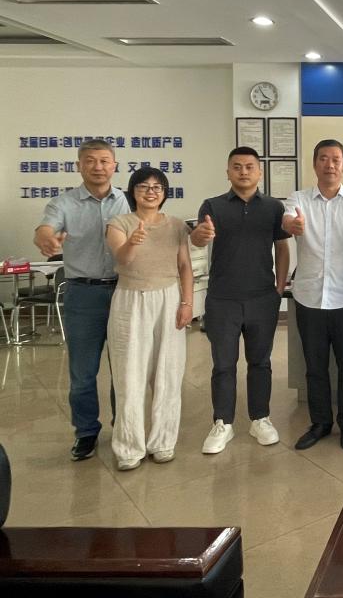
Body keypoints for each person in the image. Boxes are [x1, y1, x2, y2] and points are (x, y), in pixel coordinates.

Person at [33, 138, 130, 461]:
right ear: (79, 166)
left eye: (104, 161)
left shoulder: (128, 201)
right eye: (90, 161)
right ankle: (86, 432)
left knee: (124, 369)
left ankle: (123, 428)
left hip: (124, 291)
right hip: (83, 294)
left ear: (115, 166)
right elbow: (44, 229)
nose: (98, 167)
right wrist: (46, 239)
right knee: (83, 372)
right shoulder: (63, 203)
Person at [191, 146, 290, 455]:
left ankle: (260, 418)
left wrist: (279, 288)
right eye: (237, 166)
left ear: (260, 172)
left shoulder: (273, 207)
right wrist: (200, 235)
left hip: (262, 297)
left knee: (260, 362)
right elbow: (197, 238)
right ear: (228, 172)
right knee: (223, 364)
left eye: (249, 166)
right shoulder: (213, 206)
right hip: (223, 299)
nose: (243, 172)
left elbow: (282, 248)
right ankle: (223, 422)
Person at [283, 140, 343, 451]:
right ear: (314, 164)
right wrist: (293, 225)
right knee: (315, 366)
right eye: (323, 158)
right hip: (309, 298)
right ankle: (320, 423)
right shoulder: (298, 199)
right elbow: (287, 219)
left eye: (335, 159)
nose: (329, 165)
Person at [105, 168, 192, 470]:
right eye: (144, 186)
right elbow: (123, 259)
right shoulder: (119, 223)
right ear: (133, 191)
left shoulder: (177, 225)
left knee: (168, 373)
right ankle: (129, 448)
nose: (151, 192)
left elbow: (185, 267)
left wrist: (187, 303)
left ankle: (163, 442)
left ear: (165, 193)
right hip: (130, 299)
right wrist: (133, 241)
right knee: (129, 374)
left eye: (157, 187)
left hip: (169, 298)